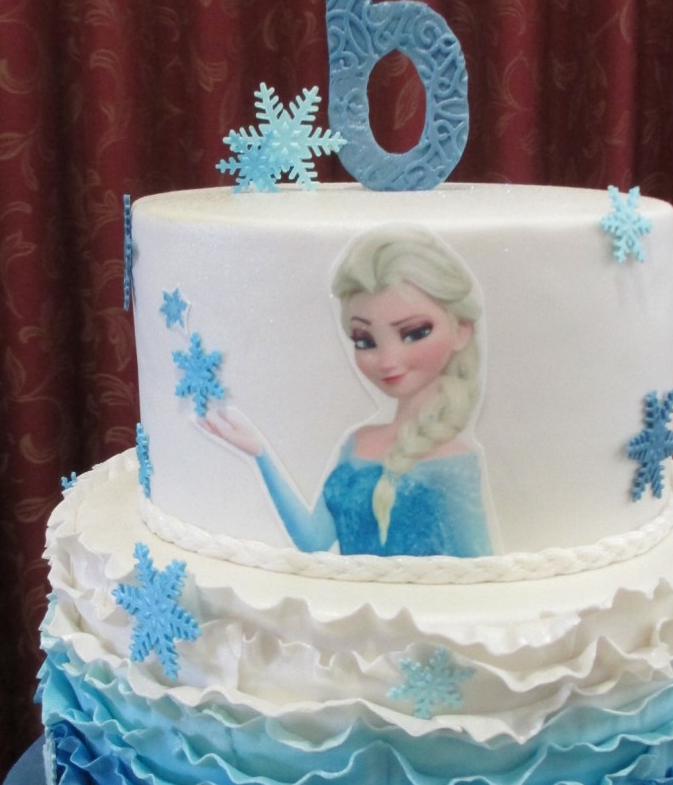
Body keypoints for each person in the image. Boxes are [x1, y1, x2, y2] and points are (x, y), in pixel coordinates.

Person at [203, 224, 492, 557]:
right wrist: (260, 453)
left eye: (414, 333)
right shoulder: (358, 441)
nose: (387, 361)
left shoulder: (454, 459)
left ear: (461, 331)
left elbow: (477, 565)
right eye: (365, 341)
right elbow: (314, 539)